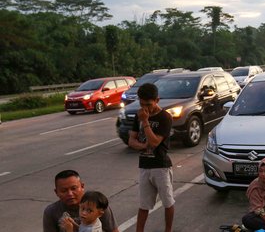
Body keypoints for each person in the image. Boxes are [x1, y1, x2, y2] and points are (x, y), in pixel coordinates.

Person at [128, 83, 174, 232]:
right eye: (142, 104)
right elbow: (131, 140)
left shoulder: (165, 117)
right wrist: (143, 146)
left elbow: (154, 142)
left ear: (157, 100)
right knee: (144, 205)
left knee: (167, 202)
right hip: (144, 165)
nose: (145, 108)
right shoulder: (138, 114)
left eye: (148, 104)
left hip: (161, 166)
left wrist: (146, 121)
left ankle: (168, 230)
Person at [43, 170, 118, 232]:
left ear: (82, 187)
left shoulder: (98, 205)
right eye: (64, 190)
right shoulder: (51, 211)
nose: (70, 194)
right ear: (56, 192)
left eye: (74, 188)